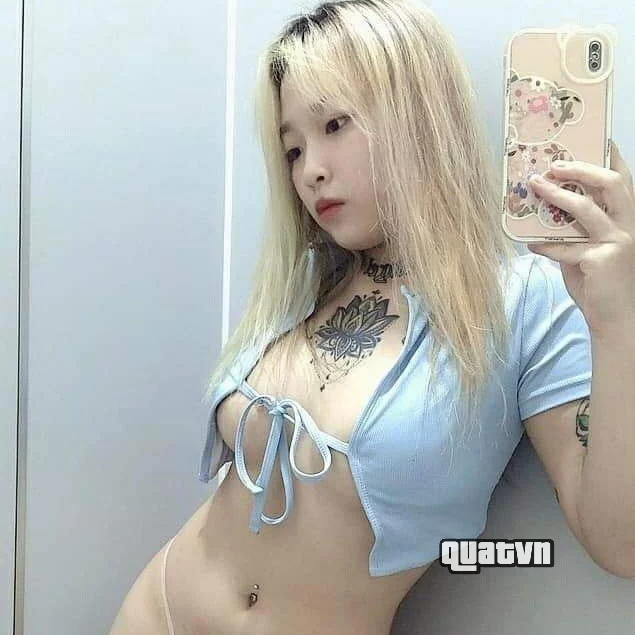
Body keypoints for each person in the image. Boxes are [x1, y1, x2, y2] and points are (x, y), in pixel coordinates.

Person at [109, 1, 635, 633]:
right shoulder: (305, 279)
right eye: (293, 149)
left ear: (419, 116)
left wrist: (619, 322)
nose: (310, 170)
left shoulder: (528, 301)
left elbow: (620, 545)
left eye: (334, 124)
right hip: (156, 615)